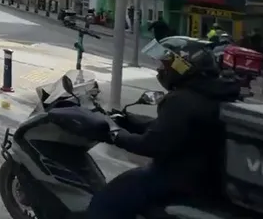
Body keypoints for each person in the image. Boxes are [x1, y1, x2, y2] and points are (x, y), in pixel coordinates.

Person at [86, 37, 240, 219]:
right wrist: (128, 121)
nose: (160, 69)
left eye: (165, 64)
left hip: (175, 179)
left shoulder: (181, 100)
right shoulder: (216, 93)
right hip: (206, 178)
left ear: (183, 66)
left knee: (106, 202)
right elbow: (176, 129)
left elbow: (151, 144)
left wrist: (114, 135)